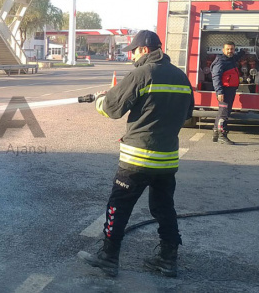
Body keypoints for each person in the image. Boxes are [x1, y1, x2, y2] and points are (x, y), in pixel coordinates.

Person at [78, 30, 194, 277]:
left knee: (118, 207)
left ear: (145, 49)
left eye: (133, 50)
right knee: (164, 209)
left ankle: (108, 257)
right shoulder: (181, 77)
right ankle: (168, 260)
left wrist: (101, 100)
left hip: (137, 159)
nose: (131, 55)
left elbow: (112, 109)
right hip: (167, 161)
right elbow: (187, 114)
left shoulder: (142, 73)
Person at [211, 41, 244, 144]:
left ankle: (216, 133)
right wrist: (219, 92)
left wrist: (243, 52)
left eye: (232, 49)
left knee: (222, 112)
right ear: (223, 50)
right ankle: (222, 135)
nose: (230, 51)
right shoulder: (221, 61)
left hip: (230, 90)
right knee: (224, 114)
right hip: (225, 91)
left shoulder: (231, 59)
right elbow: (216, 77)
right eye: (228, 49)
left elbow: (236, 57)